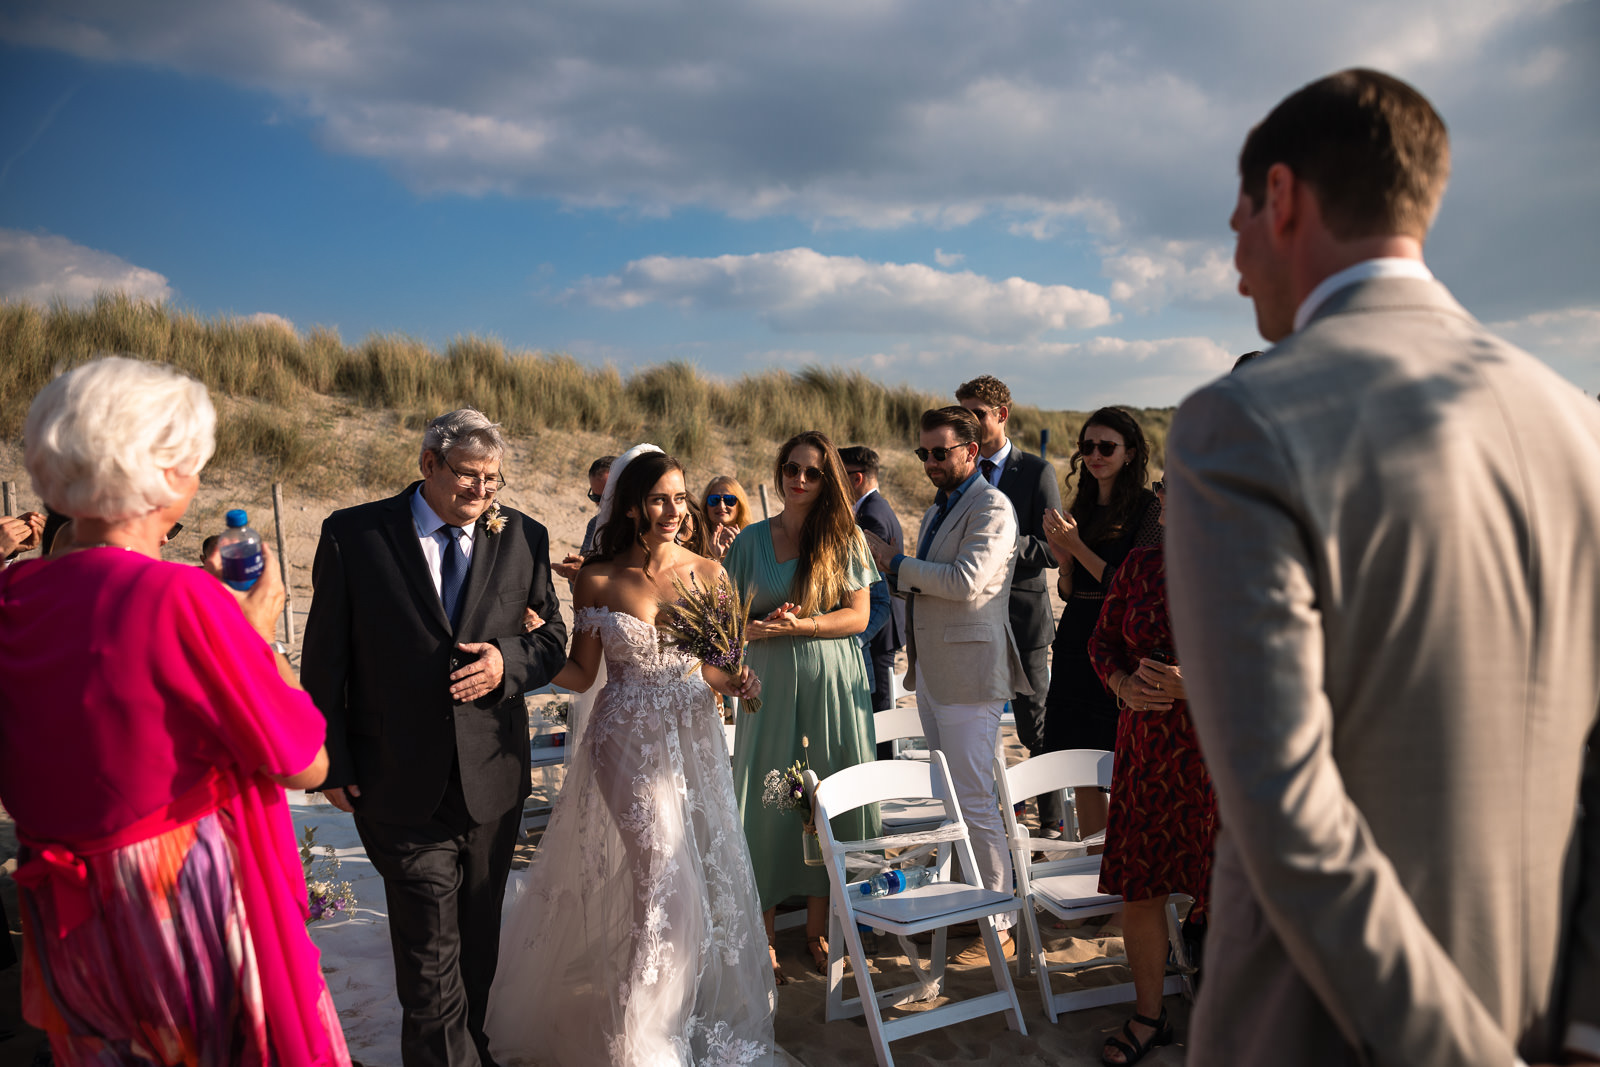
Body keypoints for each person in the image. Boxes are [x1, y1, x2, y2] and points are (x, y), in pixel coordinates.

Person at [1166, 69, 1600, 1066]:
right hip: (1540, 1008)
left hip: (1325, 1024)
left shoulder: (1241, 423)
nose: (1234, 263)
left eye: (1235, 218)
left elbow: (1286, 807)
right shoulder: (1577, 425)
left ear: (1279, 198)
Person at [0, 356, 349, 1065]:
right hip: (173, 908)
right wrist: (253, 635)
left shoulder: (15, 594)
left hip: (65, 915)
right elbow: (304, 760)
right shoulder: (174, 598)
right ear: (165, 475)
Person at [485, 445, 774, 1065]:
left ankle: (658, 1017)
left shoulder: (709, 574)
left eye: (678, 497)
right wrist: (525, 651)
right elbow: (581, 674)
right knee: (668, 883)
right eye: (658, 499)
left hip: (692, 739)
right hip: (625, 738)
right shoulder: (599, 577)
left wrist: (740, 682)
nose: (672, 510)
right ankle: (643, 1041)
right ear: (633, 506)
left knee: (686, 879)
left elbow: (716, 670)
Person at [301, 409, 568, 1067]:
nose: (482, 492)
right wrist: (331, 757)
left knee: (476, 945)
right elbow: (324, 659)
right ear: (428, 464)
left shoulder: (524, 536)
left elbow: (553, 642)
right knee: (429, 958)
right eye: (469, 477)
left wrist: (509, 661)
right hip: (395, 778)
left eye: (493, 480)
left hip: (493, 781)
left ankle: (468, 1049)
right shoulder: (352, 534)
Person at [863, 406, 1028, 963]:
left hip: (971, 677)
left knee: (976, 799)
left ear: (971, 452)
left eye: (940, 452)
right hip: (933, 672)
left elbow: (964, 582)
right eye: (923, 453)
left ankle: (1001, 921)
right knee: (950, 797)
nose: (930, 462)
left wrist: (897, 563)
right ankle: (972, 907)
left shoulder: (993, 506)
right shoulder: (944, 506)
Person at [725, 430, 880, 979]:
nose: (799, 479)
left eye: (812, 472)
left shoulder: (845, 537)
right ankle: (762, 933)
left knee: (825, 802)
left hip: (833, 685)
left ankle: (818, 928)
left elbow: (859, 617)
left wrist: (804, 625)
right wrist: (761, 631)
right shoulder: (747, 542)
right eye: (792, 468)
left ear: (828, 480)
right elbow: (725, 628)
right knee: (765, 799)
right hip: (767, 686)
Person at [1087, 480, 1216, 1065]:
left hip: (1224, 755)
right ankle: (1149, 1015)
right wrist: (1120, 685)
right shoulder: (1140, 566)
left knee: (1231, 891)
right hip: (1147, 753)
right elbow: (1101, 644)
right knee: (1143, 889)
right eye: (1170, 492)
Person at [1039, 408, 1160, 841]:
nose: (1094, 455)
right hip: (1076, 637)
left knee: (1117, 763)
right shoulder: (1084, 506)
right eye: (1087, 446)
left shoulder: (1149, 509)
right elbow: (1071, 592)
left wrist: (1076, 546)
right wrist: (1065, 561)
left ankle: (1120, 880)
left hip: (1120, 643)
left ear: (1130, 453)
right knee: (1079, 766)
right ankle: (1093, 877)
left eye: (1106, 446)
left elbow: (1130, 588)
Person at [956, 374, 1065, 835]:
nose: (969, 424)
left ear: (1002, 414)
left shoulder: (1037, 472)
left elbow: (1054, 550)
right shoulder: (959, 472)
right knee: (981, 726)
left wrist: (998, 546)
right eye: (962, 415)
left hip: (1025, 619)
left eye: (976, 414)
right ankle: (1009, 817)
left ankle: (1054, 825)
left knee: (1034, 727)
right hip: (975, 621)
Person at [837, 445, 906, 738]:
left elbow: (877, 585)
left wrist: (859, 634)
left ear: (856, 479)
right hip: (880, 624)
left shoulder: (870, 517)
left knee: (879, 715)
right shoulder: (875, 508)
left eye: (840, 476)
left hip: (876, 626)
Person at [553, 454, 614, 581]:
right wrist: (576, 573)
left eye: (607, 497)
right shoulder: (594, 525)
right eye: (596, 498)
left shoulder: (647, 529)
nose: (600, 504)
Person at [702, 474, 753, 560]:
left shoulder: (753, 542)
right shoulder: (694, 541)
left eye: (729, 500)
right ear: (706, 505)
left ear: (740, 506)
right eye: (714, 500)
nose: (721, 506)